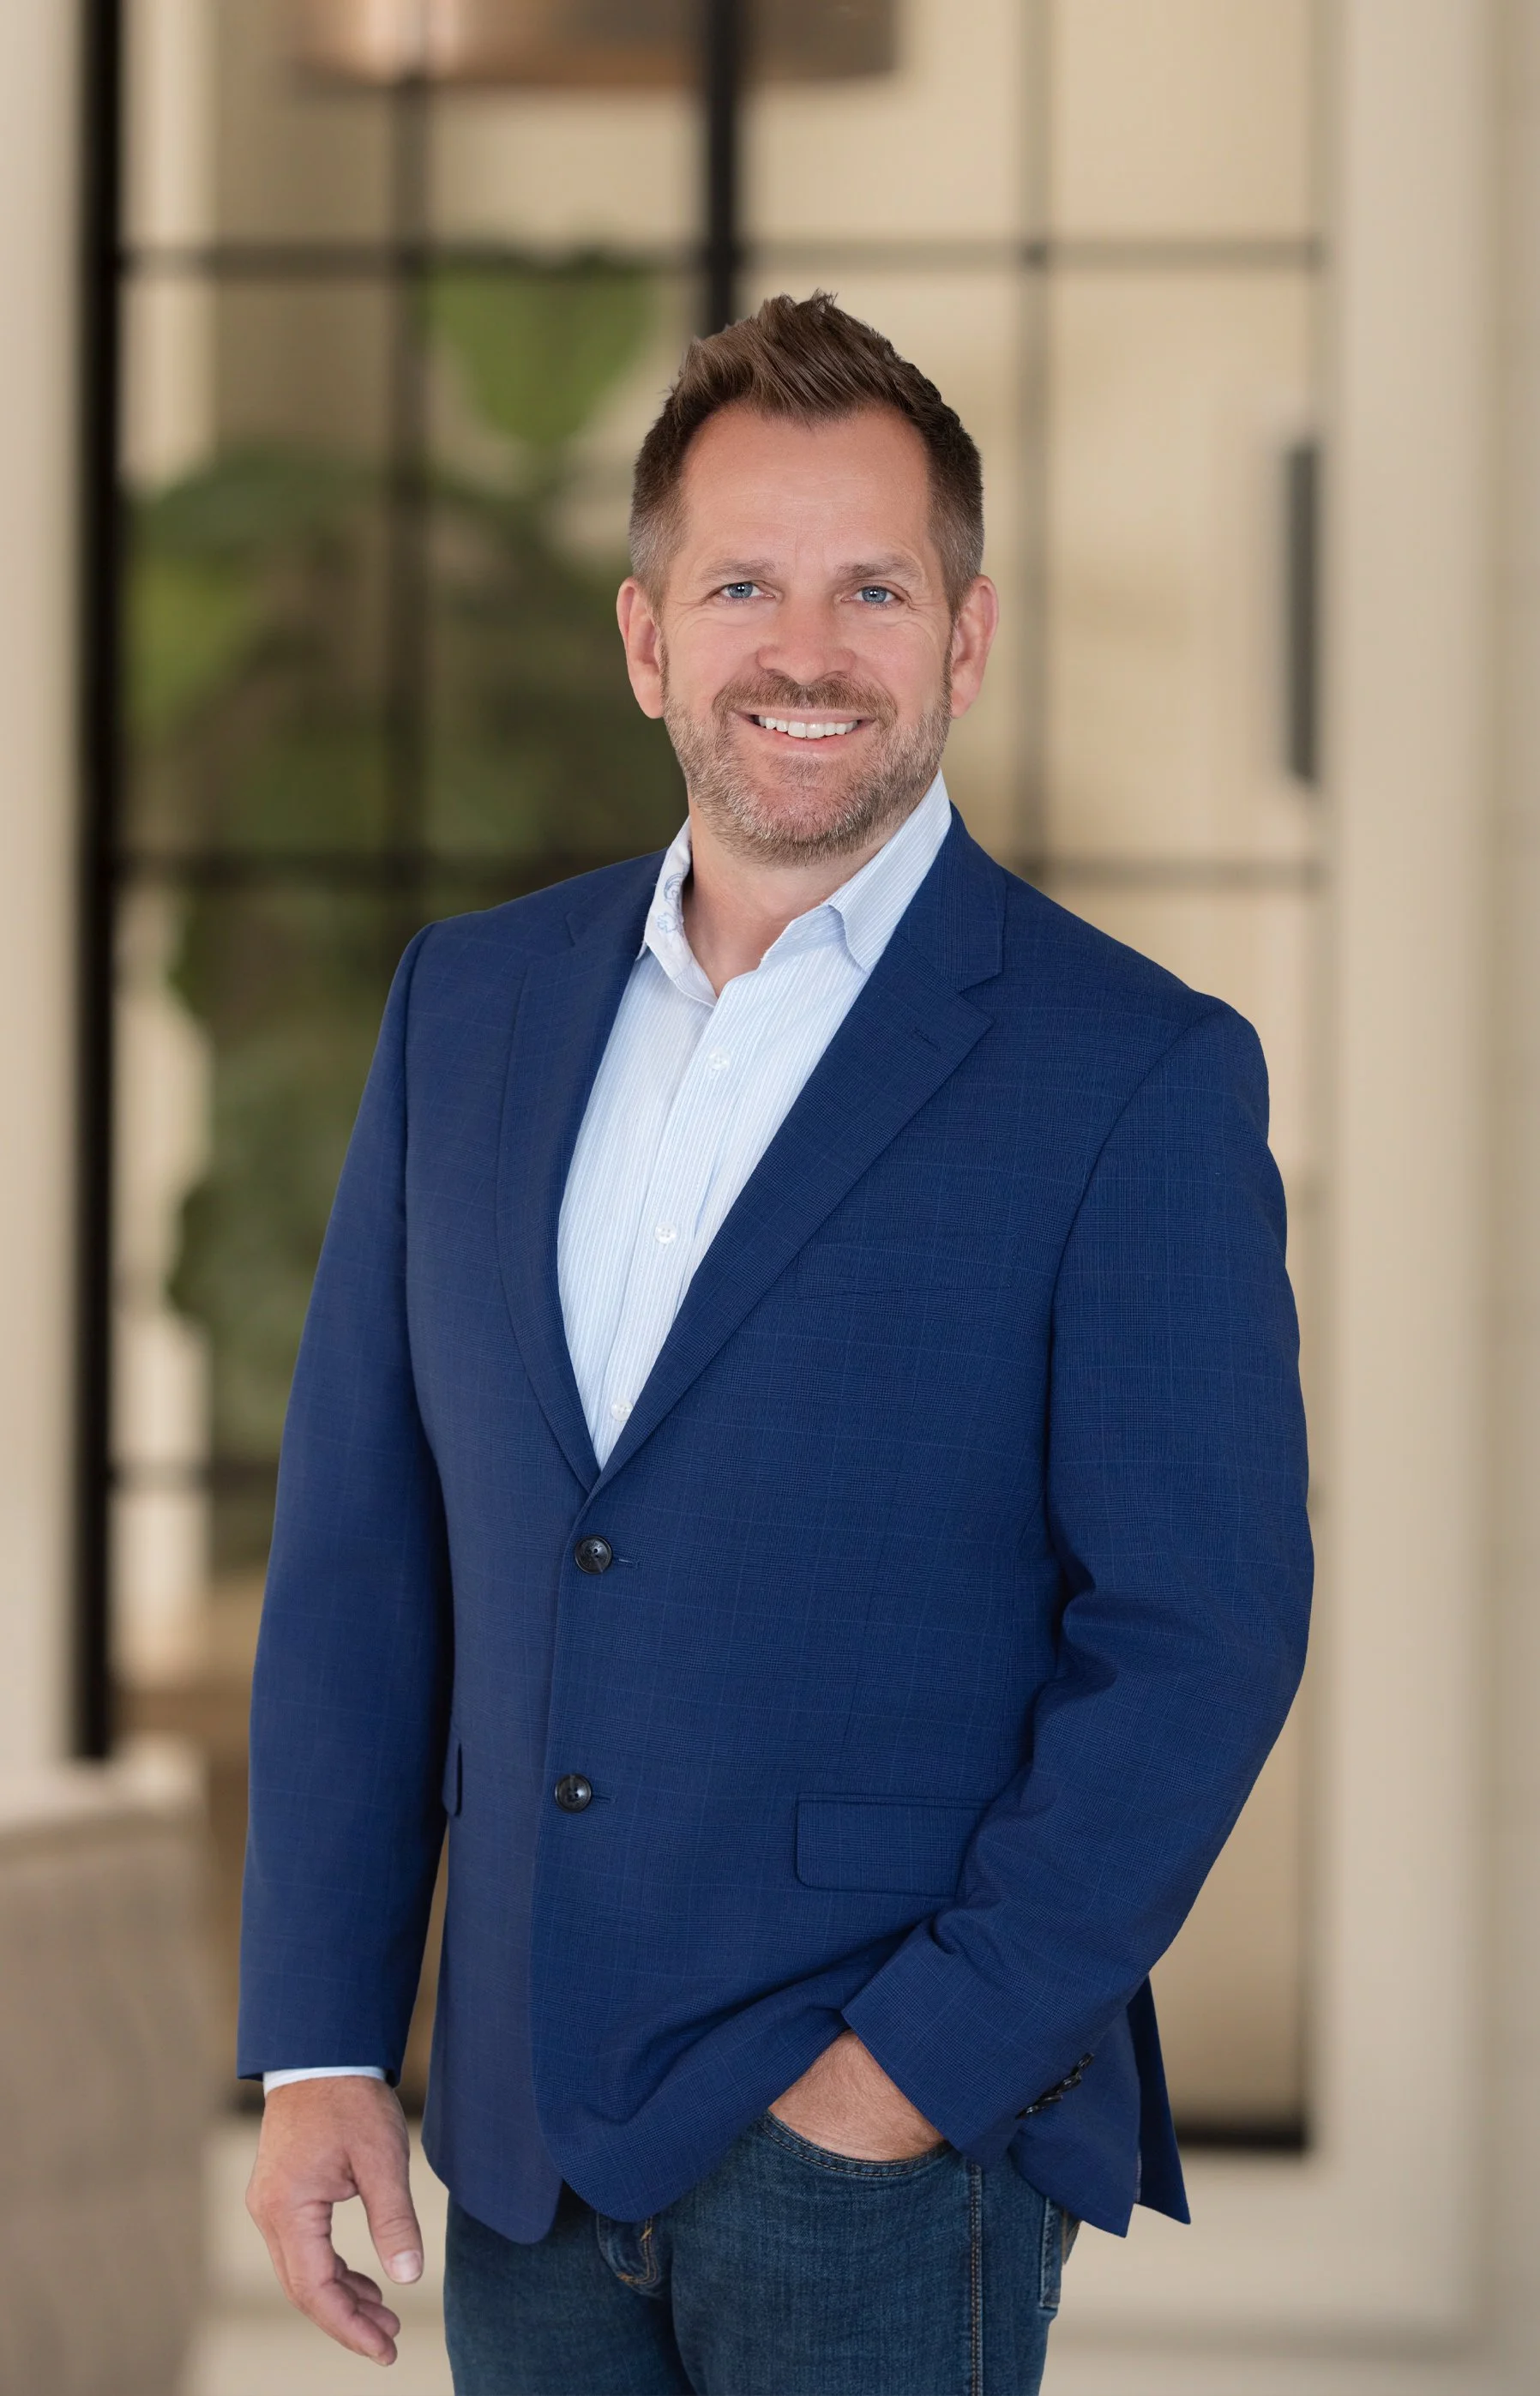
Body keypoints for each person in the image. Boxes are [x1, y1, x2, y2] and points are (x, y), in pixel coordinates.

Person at [240, 292, 1312, 2396]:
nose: (802, 650)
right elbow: (368, 1564)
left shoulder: (1133, 1071)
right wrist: (318, 2038)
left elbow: (1201, 1629)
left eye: (870, 587)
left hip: (885, 2161)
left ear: (962, 639)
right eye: (742, 583)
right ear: (648, 639)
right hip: (526, 2146)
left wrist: (912, 2072)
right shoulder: (462, 1011)